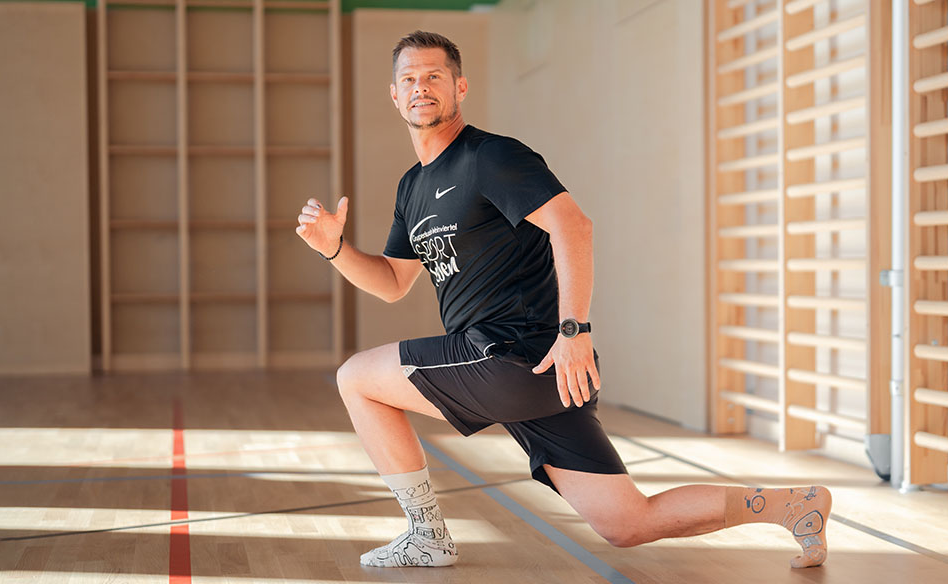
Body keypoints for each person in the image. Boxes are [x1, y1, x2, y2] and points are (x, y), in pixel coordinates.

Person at [295, 30, 832, 570]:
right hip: (537, 373)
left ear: (460, 87)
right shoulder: (412, 186)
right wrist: (334, 249)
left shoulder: (490, 157)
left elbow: (573, 226)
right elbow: (392, 281)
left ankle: (426, 535)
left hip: (512, 354)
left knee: (356, 378)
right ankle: (793, 506)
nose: (421, 87)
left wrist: (574, 331)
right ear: (394, 95)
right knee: (627, 522)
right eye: (409, 79)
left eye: (434, 76)